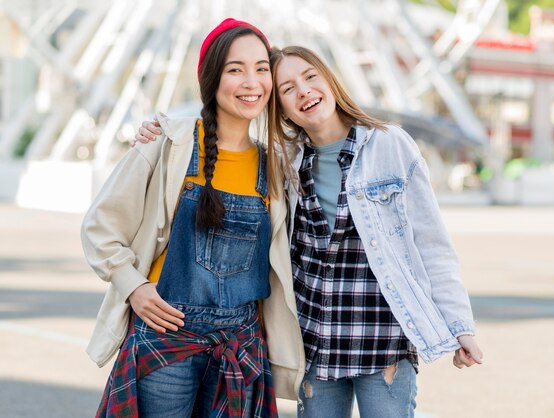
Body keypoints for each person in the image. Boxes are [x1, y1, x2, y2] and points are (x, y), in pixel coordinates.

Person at [137, 45, 483, 417]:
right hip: (315, 345)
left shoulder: (390, 145)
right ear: (279, 107)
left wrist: (461, 326)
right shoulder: (283, 161)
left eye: (310, 77)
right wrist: (157, 133)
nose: (303, 91)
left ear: (330, 80)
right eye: (287, 89)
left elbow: (432, 245)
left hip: (382, 342)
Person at [81, 19, 305, 418]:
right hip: (166, 341)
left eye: (260, 68)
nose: (252, 82)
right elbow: (101, 228)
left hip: (240, 346)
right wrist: (135, 287)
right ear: (210, 79)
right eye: (235, 69)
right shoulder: (170, 143)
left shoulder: (277, 166)